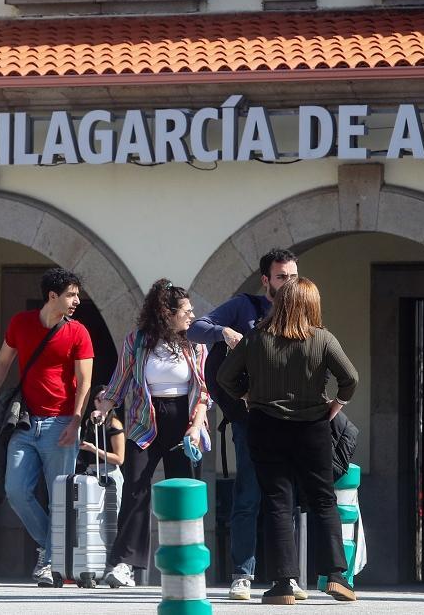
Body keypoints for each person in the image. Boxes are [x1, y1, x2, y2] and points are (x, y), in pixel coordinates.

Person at [218, 278, 358, 605]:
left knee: (277, 502)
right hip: (313, 427)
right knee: (323, 499)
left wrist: (247, 395)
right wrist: (335, 407)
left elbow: (225, 377)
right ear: (312, 305)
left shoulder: (255, 339)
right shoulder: (322, 339)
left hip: (266, 426)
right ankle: (337, 576)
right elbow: (350, 378)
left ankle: (284, 583)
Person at [186, 247, 298, 600]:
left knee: (284, 499)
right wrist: (224, 333)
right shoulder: (244, 307)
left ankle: (286, 576)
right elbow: (196, 329)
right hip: (249, 420)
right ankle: (242, 574)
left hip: (288, 418)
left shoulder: (302, 311)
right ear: (266, 280)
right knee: (247, 495)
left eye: (293, 276)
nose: (289, 283)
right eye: (282, 277)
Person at [0, 267, 94, 586]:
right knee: (15, 489)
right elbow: (2, 362)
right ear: (52, 296)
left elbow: (85, 380)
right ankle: (52, 547)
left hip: (62, 423)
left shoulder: (78, 332)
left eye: (77, 295)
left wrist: (77, 419)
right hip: (26, 422)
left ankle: (50, 560)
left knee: (60, 496)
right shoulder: (21, 323)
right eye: (71, 295)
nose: (77, 301)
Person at [93, 279, 211, 589]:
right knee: (136, 489)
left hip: (184, 422)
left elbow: (202, 391)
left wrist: (196, 428)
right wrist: (103, 408)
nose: (192, 314)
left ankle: (187, 559)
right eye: (186, 310)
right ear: (165, 312)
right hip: (144, 421)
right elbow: (119, 382)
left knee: (184, 489)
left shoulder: (196, 344)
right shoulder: (137, 341)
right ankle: (124, 564)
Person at [76, 396, 126, 511]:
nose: (103, 402)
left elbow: (119, 459)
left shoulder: (114, 423)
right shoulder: (89, 422)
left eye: (106, 399)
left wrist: (93, 449)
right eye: (99, 399)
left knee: (112, 514)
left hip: (109, 472)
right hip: (90, 472)